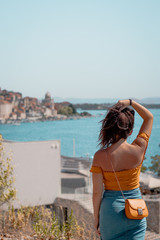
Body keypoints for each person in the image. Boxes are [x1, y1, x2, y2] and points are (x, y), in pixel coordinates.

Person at [90, 99, 153, 240]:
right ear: (130, 131)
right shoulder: (139, 149)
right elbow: (149, 117)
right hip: (136, 210)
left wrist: (96, 219)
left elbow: (96, 192)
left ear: (109, 130)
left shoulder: (100, 156)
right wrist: (130, 102)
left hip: (110, 213)